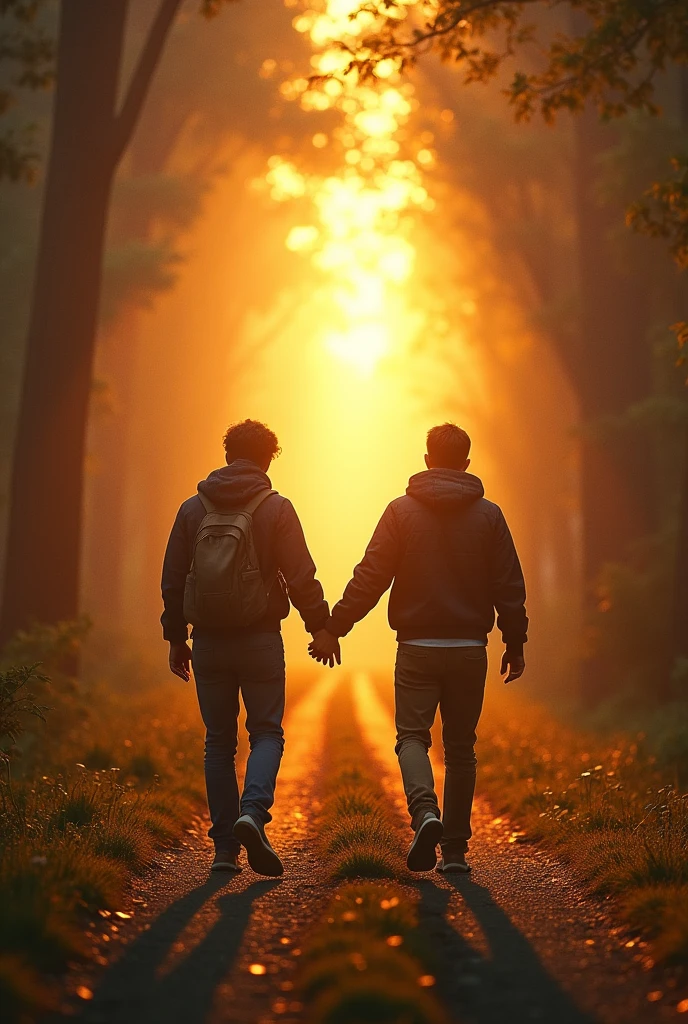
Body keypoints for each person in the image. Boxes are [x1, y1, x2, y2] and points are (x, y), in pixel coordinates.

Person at [309, 423, 527, 873]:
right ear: (466, 464)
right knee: (461, 746)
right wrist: (515, 641)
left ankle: (425, 812)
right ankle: (454, 853)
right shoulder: (490, 516)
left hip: (416, 648)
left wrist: (334, 627)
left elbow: (371, 576)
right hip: (470, 648)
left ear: (426, 459)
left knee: (411, 737)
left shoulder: (400, 512)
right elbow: (508, 585)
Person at [162, 419, 334, 876]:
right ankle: (252, 815)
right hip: (259, 639)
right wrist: (320, 627)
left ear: (226, 455)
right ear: (268, 459)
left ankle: (223, 851)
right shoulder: (276, 508)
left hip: (209, 642)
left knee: (218, 741)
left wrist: (177, 638)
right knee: (266, 733)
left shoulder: (190, 509)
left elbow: (173, 580)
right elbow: (300, 575)